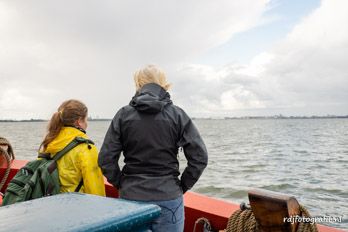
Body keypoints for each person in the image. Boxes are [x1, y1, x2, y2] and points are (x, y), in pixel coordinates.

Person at [98, 65, 208, 231]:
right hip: (169, 196)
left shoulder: (123, 115)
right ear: (164, 84)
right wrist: (181, 186)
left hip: (131, 195)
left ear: (138, 84)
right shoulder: (178, 115)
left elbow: (106, 159)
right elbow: (200, 158)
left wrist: (122, 183)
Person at [40, 99, 105, 196]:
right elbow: (95, 188)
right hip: (76, 207)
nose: (87, 124)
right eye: (86, 120)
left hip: (50, 204)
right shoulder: (86, 148)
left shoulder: (48, 142)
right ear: (79, 121)